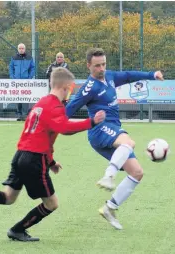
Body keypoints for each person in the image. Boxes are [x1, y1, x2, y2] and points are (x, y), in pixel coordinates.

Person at [0, 67, 105, 242]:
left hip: (20, 156)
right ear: (65, 87)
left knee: (8, 197)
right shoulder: (55, 106)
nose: (71, 92)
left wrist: (51, 163)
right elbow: (64, 128)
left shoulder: (41, 103)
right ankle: (17, 230)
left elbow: (44, 137)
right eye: (71, 88)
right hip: (33, 160)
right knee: (52, 204)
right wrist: (91, 122)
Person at [66, 48, 164, 230]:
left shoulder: (109, 76)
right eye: (97, 66)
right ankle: (108, 176)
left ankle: (110, 208)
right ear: (88, 66)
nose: (101, 68)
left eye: (103, 64)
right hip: (99, 130)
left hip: (113, 130)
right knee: (129, 142)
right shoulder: (89, 88)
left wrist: (152, 74)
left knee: (136, 173)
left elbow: (128, 75)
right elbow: (67, 111)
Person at [9, 43, 35, 121]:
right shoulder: (13, 57)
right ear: (18, 49)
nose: (21, 49)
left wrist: (29, 77)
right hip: (16, 82)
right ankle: (19, 114)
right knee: (18, 98)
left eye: (22, 48)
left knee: (25, 98)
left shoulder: (29, 58)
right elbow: (11, 68)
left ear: (25, 49)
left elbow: (32, 68)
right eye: (20, 48)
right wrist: (13, 77)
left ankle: (25, 115)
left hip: (25, 81)